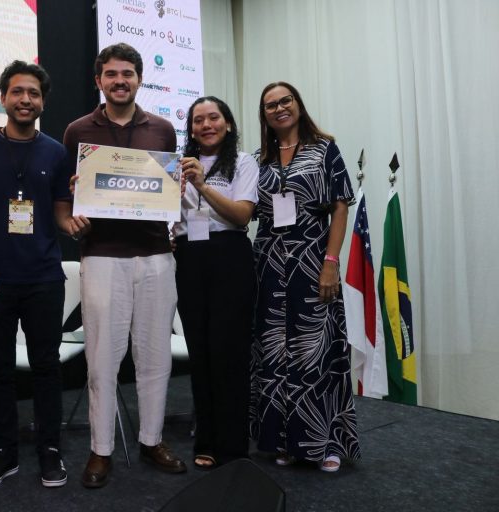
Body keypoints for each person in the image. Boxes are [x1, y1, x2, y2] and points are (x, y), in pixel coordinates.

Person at [63, 42, 186, 488]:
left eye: (127, 74)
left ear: (139, 79)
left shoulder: (163, 129)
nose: (120, 81)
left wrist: (173, 194)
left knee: (155, 355)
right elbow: (66, 195)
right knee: (101, 359)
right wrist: (75, 201)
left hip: (156, 255)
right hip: (101, 256)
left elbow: (167, 188)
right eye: (111, 74)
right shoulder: (78, 130)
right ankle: (101, 450)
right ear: (99, 80)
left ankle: (152, 440)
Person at [0, 60, 86, 489]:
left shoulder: (56, 152)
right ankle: (4, 452)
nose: (25, 99)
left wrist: (77, 224)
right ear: (3, 97)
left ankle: (49, 450)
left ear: (43, 101)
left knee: (46, 367)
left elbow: (61, 214)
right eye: (17, 92)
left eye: (33, 93)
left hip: (44, 277)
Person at [249, 82, 360, 473]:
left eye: (286, 100)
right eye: (270, 105)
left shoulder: (324, 149)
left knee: (317, 349)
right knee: (274, 352)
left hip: (313, 260)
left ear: (297, 104)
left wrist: (331, 261)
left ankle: (325, 442)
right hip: (267, 263)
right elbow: (241, 209)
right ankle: (283, 440)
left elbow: (340, 207)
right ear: (263, 115)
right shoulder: (257, 159)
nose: (279, 108)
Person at [174, 96, 258, 469]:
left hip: (230, 256)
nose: (206, 125)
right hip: (189, 257)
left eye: (213, 118)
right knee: (201, 352)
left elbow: (241, 215)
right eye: (198, 120)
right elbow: (168, 218)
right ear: (191, 129)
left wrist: (203, 185)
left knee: (230, 352)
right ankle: (206, 440)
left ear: (227, 124)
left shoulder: (243, 162)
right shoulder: (176, 166)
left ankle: (234, 444)